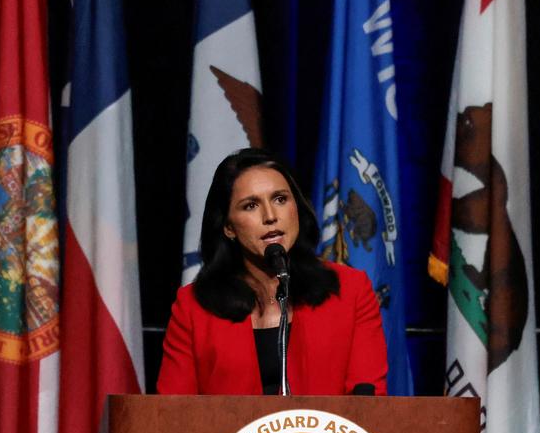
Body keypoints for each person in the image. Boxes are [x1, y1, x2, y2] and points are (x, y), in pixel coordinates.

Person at [157, 148, 388, 396]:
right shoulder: (193, 307)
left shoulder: (351, 291)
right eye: (251, 205)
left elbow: (368, 406)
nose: (270, 216)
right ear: (228, 227)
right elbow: (173, 417)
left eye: (280, 199)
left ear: (296, 208)